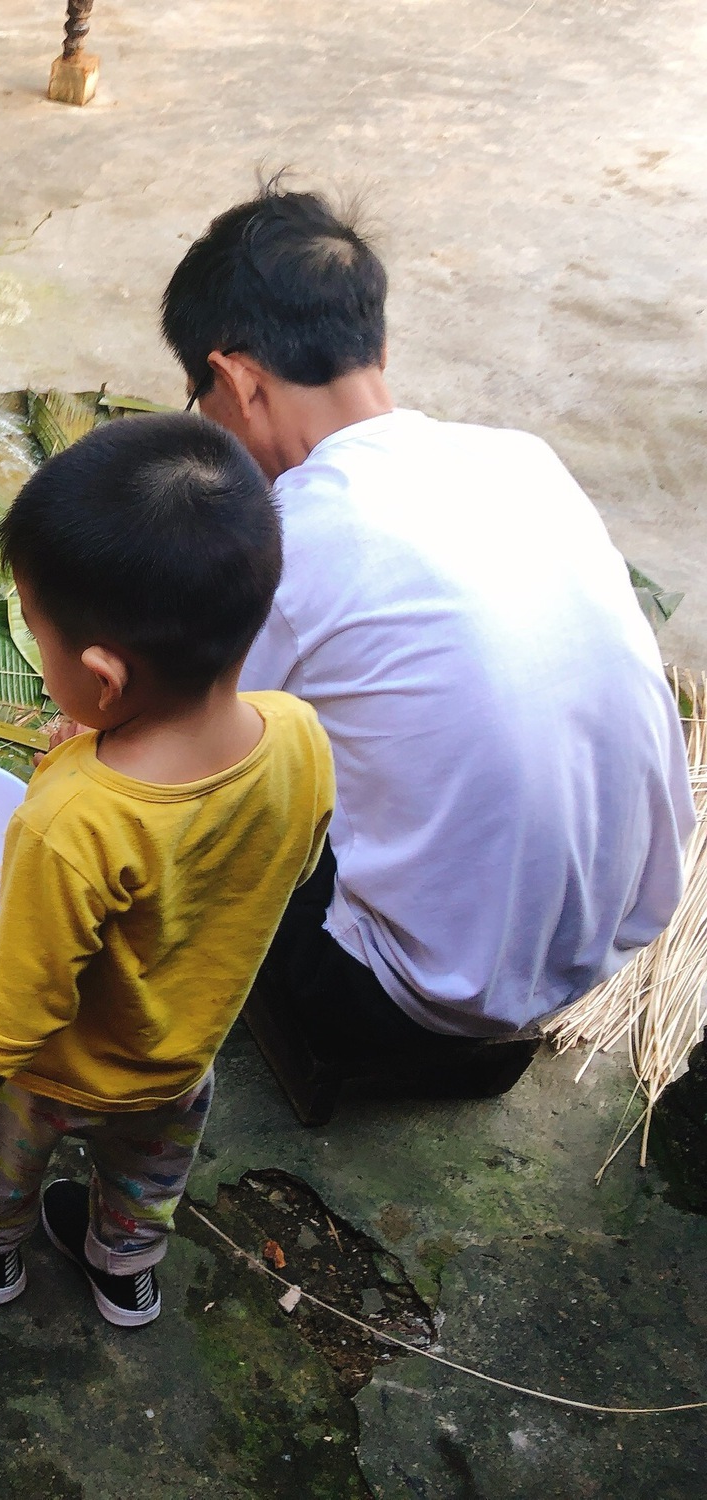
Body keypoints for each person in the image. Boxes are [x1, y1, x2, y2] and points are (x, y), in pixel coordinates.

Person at [161, 184, 694, 1120]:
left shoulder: (299, 533)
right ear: (374, 345)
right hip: (613, 935)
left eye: (204, 401)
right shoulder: (521, 458)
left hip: (417, 998)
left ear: (238, 381)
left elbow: (197, 750)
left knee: (182, 808)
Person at [0, 413, 335, 1326]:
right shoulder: (297, 733)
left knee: (2, 1171)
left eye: (39, 634)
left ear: (102, 676)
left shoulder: (72, 819)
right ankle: (123, 1272)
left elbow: (27, 986)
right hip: (180, 1061)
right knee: (145, 1180)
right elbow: (288, 868)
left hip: (53, 1077)